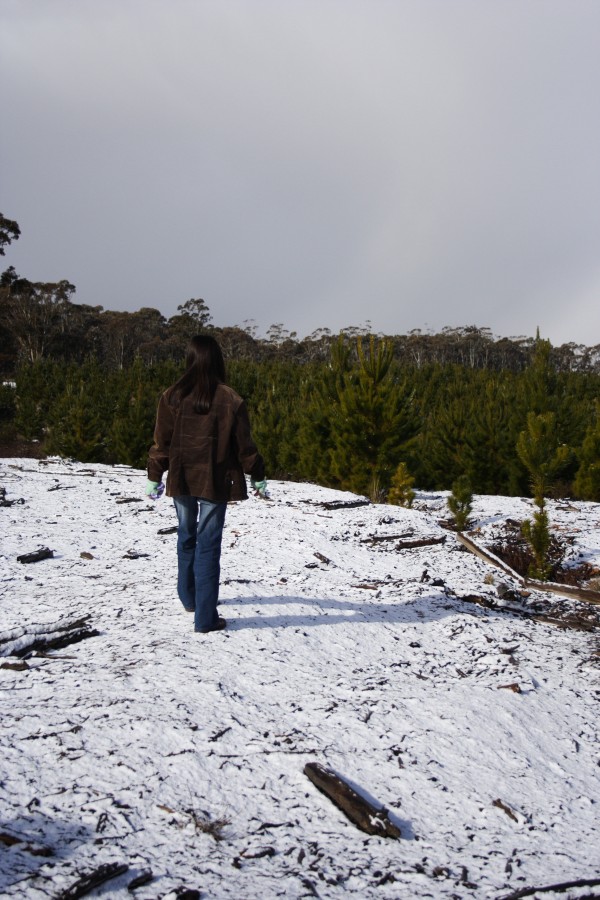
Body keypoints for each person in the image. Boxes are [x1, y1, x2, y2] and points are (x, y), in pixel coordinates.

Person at [146, 335, 266, 634]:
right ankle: (205, 618)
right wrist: (258, 476)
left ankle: (189, 599)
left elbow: (162, 443)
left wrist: (154, 476)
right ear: (217, 360)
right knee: (208, 546)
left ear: (190, 360)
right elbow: (246, 448)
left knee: (186, 535)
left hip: (181, 478)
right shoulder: (231, 399)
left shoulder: (171, 396)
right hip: (215, 482)